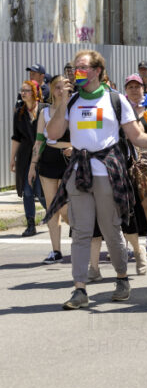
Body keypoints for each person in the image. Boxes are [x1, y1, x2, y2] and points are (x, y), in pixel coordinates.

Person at [45, 49, 147, 310]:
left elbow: (136, 137)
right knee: (80, 231)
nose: (77, 71)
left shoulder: (116, 100)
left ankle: (122, 278)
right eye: (75, 67)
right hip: (79, 173)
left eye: (83, 67)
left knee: (111, 229)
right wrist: (61, 101)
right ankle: (79, 288)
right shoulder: (72, 101)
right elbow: (52, 133)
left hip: (108, 173)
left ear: (97, 71)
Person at [29, 76, 72, 263]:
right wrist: (32, 165)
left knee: (64, 208)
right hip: (48, 160)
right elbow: (39, 140)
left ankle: (83, 236)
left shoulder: (74, 110)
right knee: (51, 207)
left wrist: (76, 148)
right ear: (52, 89)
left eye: (64, 87)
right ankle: (56, 250)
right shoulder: (45, 112)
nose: (60, 91)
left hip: (68, 159)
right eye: (57, 87)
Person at [123, 74, 147, 266]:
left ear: (143, 89)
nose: (134, 90)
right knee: (130, 202)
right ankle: (133, 242)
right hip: (129, 159)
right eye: (130, 87)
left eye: (137, 86)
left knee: (146, 201)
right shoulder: (121, 110)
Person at [12, 80, 47, 237]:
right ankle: (30, 225)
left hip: (44, 155)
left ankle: (54, 214)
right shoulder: (19, 112)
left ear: (35, 92)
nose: (23, 93)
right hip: (25, 157)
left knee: (41, 193)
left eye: (26, 90)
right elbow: (16, 137)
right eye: (22, 90)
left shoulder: (44, 110)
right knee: (27, 190)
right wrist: (12, 158)